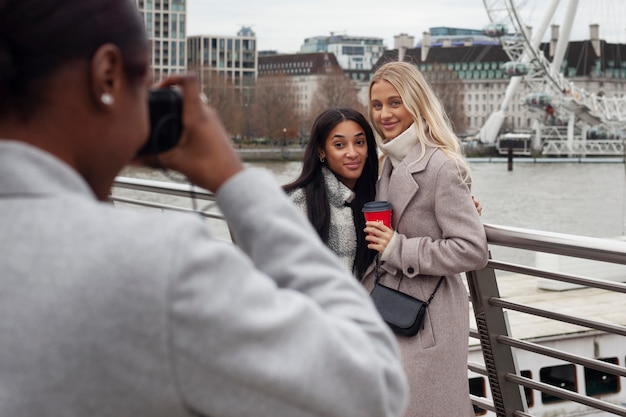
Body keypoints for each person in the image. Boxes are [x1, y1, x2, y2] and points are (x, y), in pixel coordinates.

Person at [0, 1, 409, 416]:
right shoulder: (157, 265)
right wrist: (234, 178)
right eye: (144, 88)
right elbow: (370, 387)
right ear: (108, 75)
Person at [361, 61, 489, 416]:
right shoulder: (386, 163)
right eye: (377, 105)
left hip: (427, 317)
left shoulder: (441, 166)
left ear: (415, 103)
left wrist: (398, 248)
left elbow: (473, 249)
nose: (384, 114)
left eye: (394, 102)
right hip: (386, 308)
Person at [283, 108, 379, 278]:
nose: (352, 153)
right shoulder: (299, 202)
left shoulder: (376, 197)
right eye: (339, 145)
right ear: (321, 151)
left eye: (359, 142)